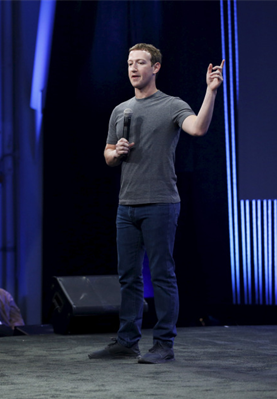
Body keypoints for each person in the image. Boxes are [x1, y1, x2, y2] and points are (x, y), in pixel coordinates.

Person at [87, 43, 224, 364]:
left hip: (161, 202)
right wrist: (116, 152)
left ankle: (164, 343)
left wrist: (211, 91)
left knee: (162, 275)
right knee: (128, 276)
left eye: (140, 63)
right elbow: (107, 154)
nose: (133, 68)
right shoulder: (121, 110)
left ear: (156, 67)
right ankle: (127, 341)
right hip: (127, 204)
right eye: (130, 63)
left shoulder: (171, 105)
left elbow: (198, 128)